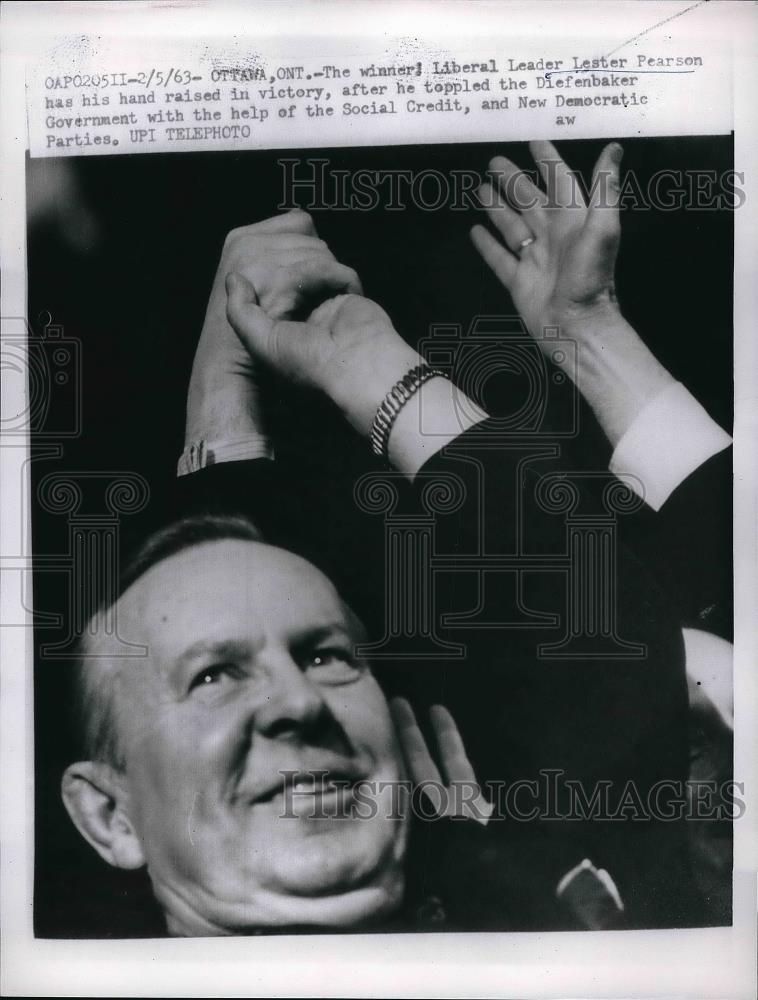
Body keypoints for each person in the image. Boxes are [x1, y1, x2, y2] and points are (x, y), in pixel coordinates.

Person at [61, 140, 732, 934]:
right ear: (110, 815)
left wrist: (249, 409)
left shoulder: (580, 912)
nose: (299, 701)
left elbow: (623, 641)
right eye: (212, 676)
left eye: (327, 655)